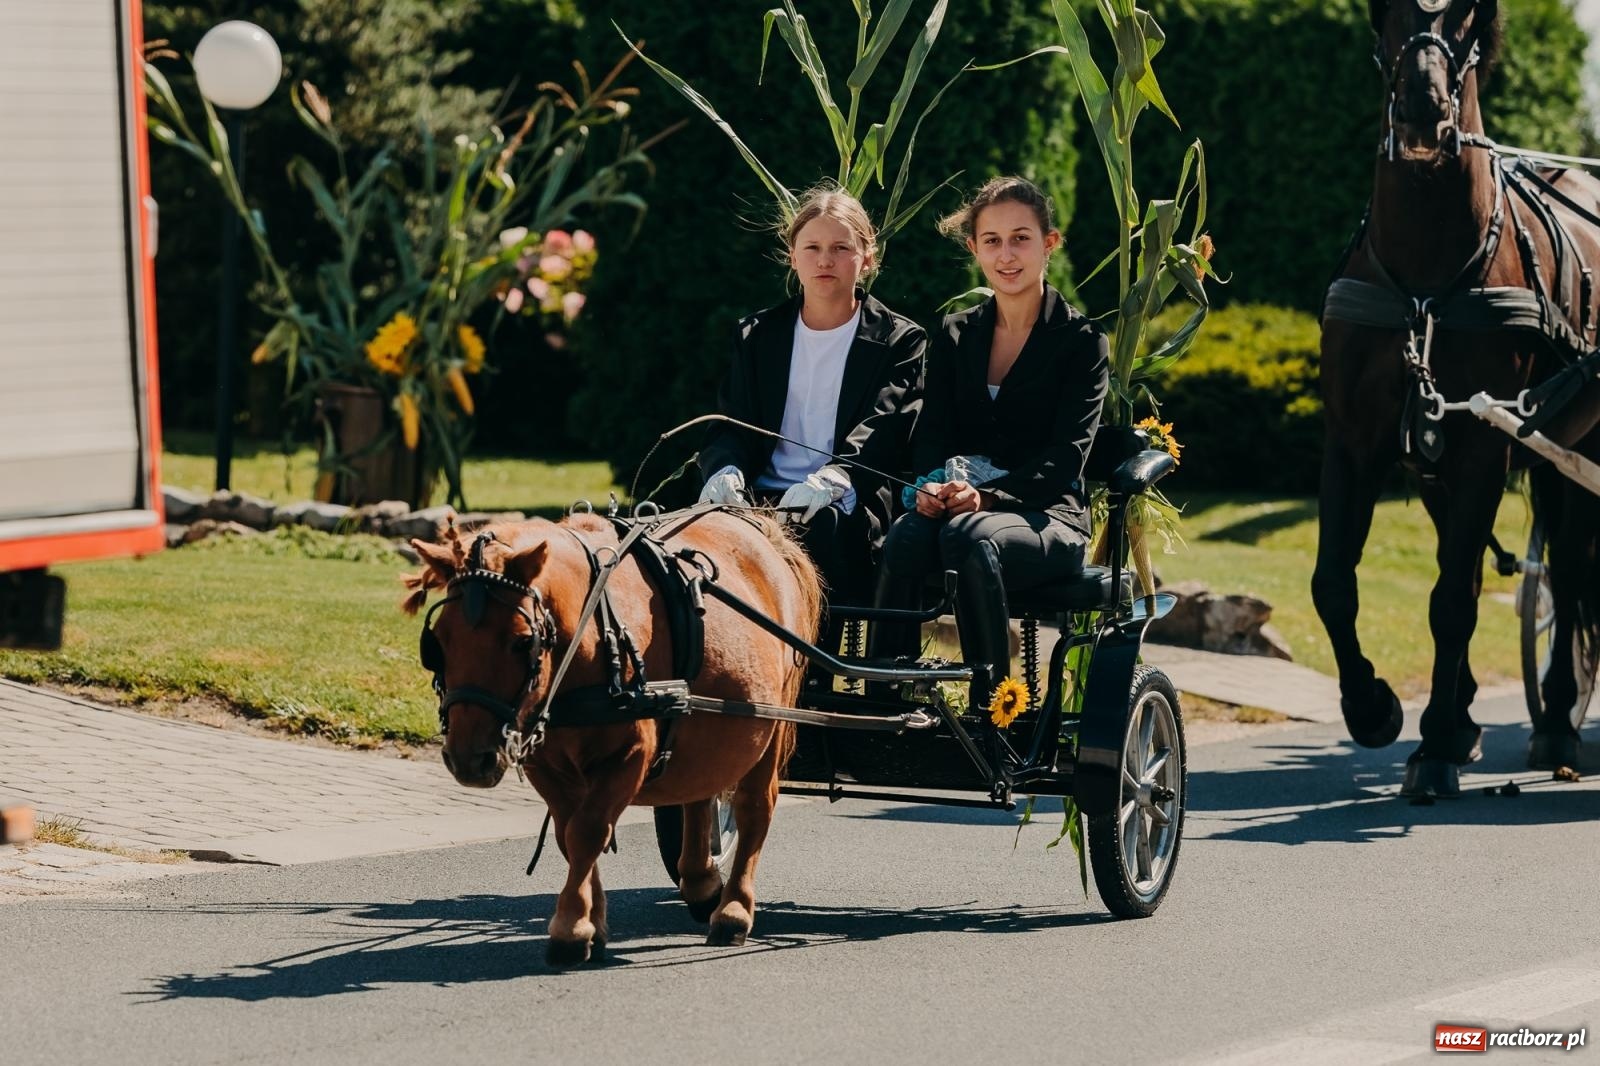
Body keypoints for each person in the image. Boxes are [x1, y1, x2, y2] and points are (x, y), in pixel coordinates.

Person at [875, 177, 1109, 706]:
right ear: (974, 248)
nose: (1007, 255)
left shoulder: (1082, 341)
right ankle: (885, 702)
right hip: (960, 506)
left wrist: (987, 497)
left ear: (1049, 244)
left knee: (969, 536)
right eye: (992, 241)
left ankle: (994, 709)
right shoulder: (955, 333)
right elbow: (933, 431)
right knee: (905, 537)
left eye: (1021, 238)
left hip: (1048, 517)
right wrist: (931, 486)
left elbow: (1067, 455)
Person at [697, 186, 925, 608]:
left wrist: (834, 479)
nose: (825, 260)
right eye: (812, 248)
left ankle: (810, 655)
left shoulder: (899, 340)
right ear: (793, 256)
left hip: (844, 503)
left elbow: (885, 426)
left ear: (867, 257)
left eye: (841, 248)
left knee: (820, 532)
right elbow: (731, 422)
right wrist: (725, 469)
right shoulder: (757, 335)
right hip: (761, 498)